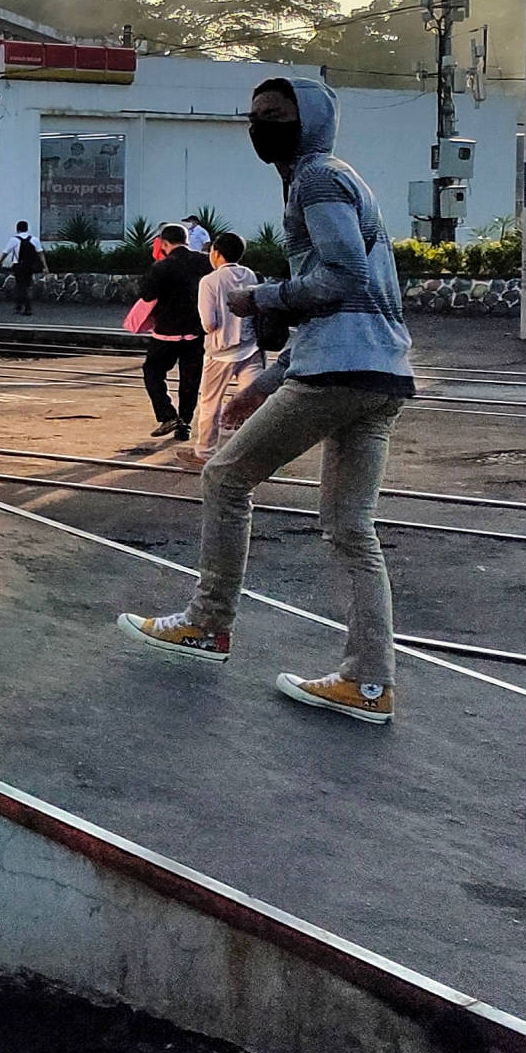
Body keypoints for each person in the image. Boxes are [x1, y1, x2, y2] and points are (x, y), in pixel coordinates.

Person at [120, 78, 415, 727]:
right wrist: (264, 382)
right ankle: (370, 683)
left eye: (275, 115)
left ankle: (206, 624)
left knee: (226, 478)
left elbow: (341, 279)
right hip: (382, 376)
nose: (259, 125)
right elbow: (347, 314)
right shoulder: (339, 179)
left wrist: (264, 299)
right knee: (349, 529)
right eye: (253, 115)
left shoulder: (316, 180)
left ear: (309, 121)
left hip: (341, 375)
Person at [182, 230, 266, 470]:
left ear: (215, 253)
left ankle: (205, 452)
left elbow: (209, 323)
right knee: (254, 402)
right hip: (251, 348)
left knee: (210, 401)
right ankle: (255, 452)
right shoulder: (250, 274)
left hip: (220, 351)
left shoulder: (210, 281)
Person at [134, 220, 214, 443]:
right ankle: (185, 424)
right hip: (196, 330)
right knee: (190, 379)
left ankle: (167, 414)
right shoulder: (205, 262)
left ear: (164, 243)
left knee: (152, 371)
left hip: (166, 331)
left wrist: (156, 261)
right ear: (187, 241)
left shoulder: (162, 266)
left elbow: (147, 294)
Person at [7, 221, 48, 316]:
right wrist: (45, 266)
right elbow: (41, 254)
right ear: (27, 228)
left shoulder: (14, 240)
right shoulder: (34, 239)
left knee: (20, 286)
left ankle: (21, 306)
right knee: (27, 285)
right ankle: (26, 306)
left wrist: (0, 262)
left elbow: (6, 252)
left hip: (18, 265)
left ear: (17, 229)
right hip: (30, 266)